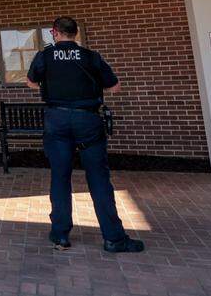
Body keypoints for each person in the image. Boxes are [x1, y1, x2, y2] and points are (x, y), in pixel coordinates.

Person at [26, 16, 145, 254]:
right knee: (99, 178)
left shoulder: (45, 56)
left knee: (60, 177)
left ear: (55, 33)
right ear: (76, 33)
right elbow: (114, 86)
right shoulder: (91, 57)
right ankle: (114, 238)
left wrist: (50, 85)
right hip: (87, 119)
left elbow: (31, 82)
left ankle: (60, 235)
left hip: (57, 120)